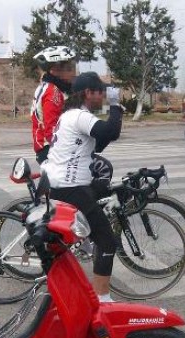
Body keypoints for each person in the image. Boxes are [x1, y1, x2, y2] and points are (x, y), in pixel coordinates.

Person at [42, 72, 123, 302]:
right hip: (70, 187)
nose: (103, 97)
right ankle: (102, 300)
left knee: (101, 188)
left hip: (60, 183)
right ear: (89, 93)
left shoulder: (70, 115)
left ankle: (83, 240)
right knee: (107, 241)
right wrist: (116, 105)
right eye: (101, 93)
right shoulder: (79, 115)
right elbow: (111, 132)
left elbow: (99, 142)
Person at [31, 45, 76, 164]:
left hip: (47, 148)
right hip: (51, 150)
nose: (74, 73)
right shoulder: (53, 93)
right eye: (69, 69)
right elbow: (51, 130)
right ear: (55, 70)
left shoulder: (47, 87)